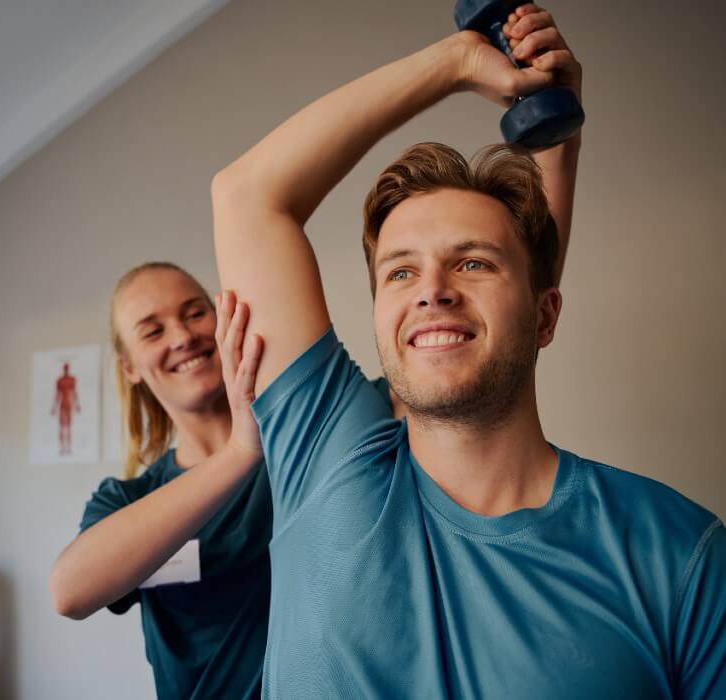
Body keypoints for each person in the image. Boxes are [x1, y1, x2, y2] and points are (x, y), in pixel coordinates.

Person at [211, 4, 725, 698]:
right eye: (400, 271)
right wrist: (455, 62)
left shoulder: (677, 555)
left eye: (473, 264)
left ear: (547, 315)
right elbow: (246, 196)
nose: (433, 292)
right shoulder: (328, 461)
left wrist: (556, 136)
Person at [49, 262, 272, 699]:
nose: (183, 337)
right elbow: (68, 593)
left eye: (194, 313)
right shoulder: (129, 499)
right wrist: (240, 453)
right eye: (153, 331)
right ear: (129, 366)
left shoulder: (306, 441)